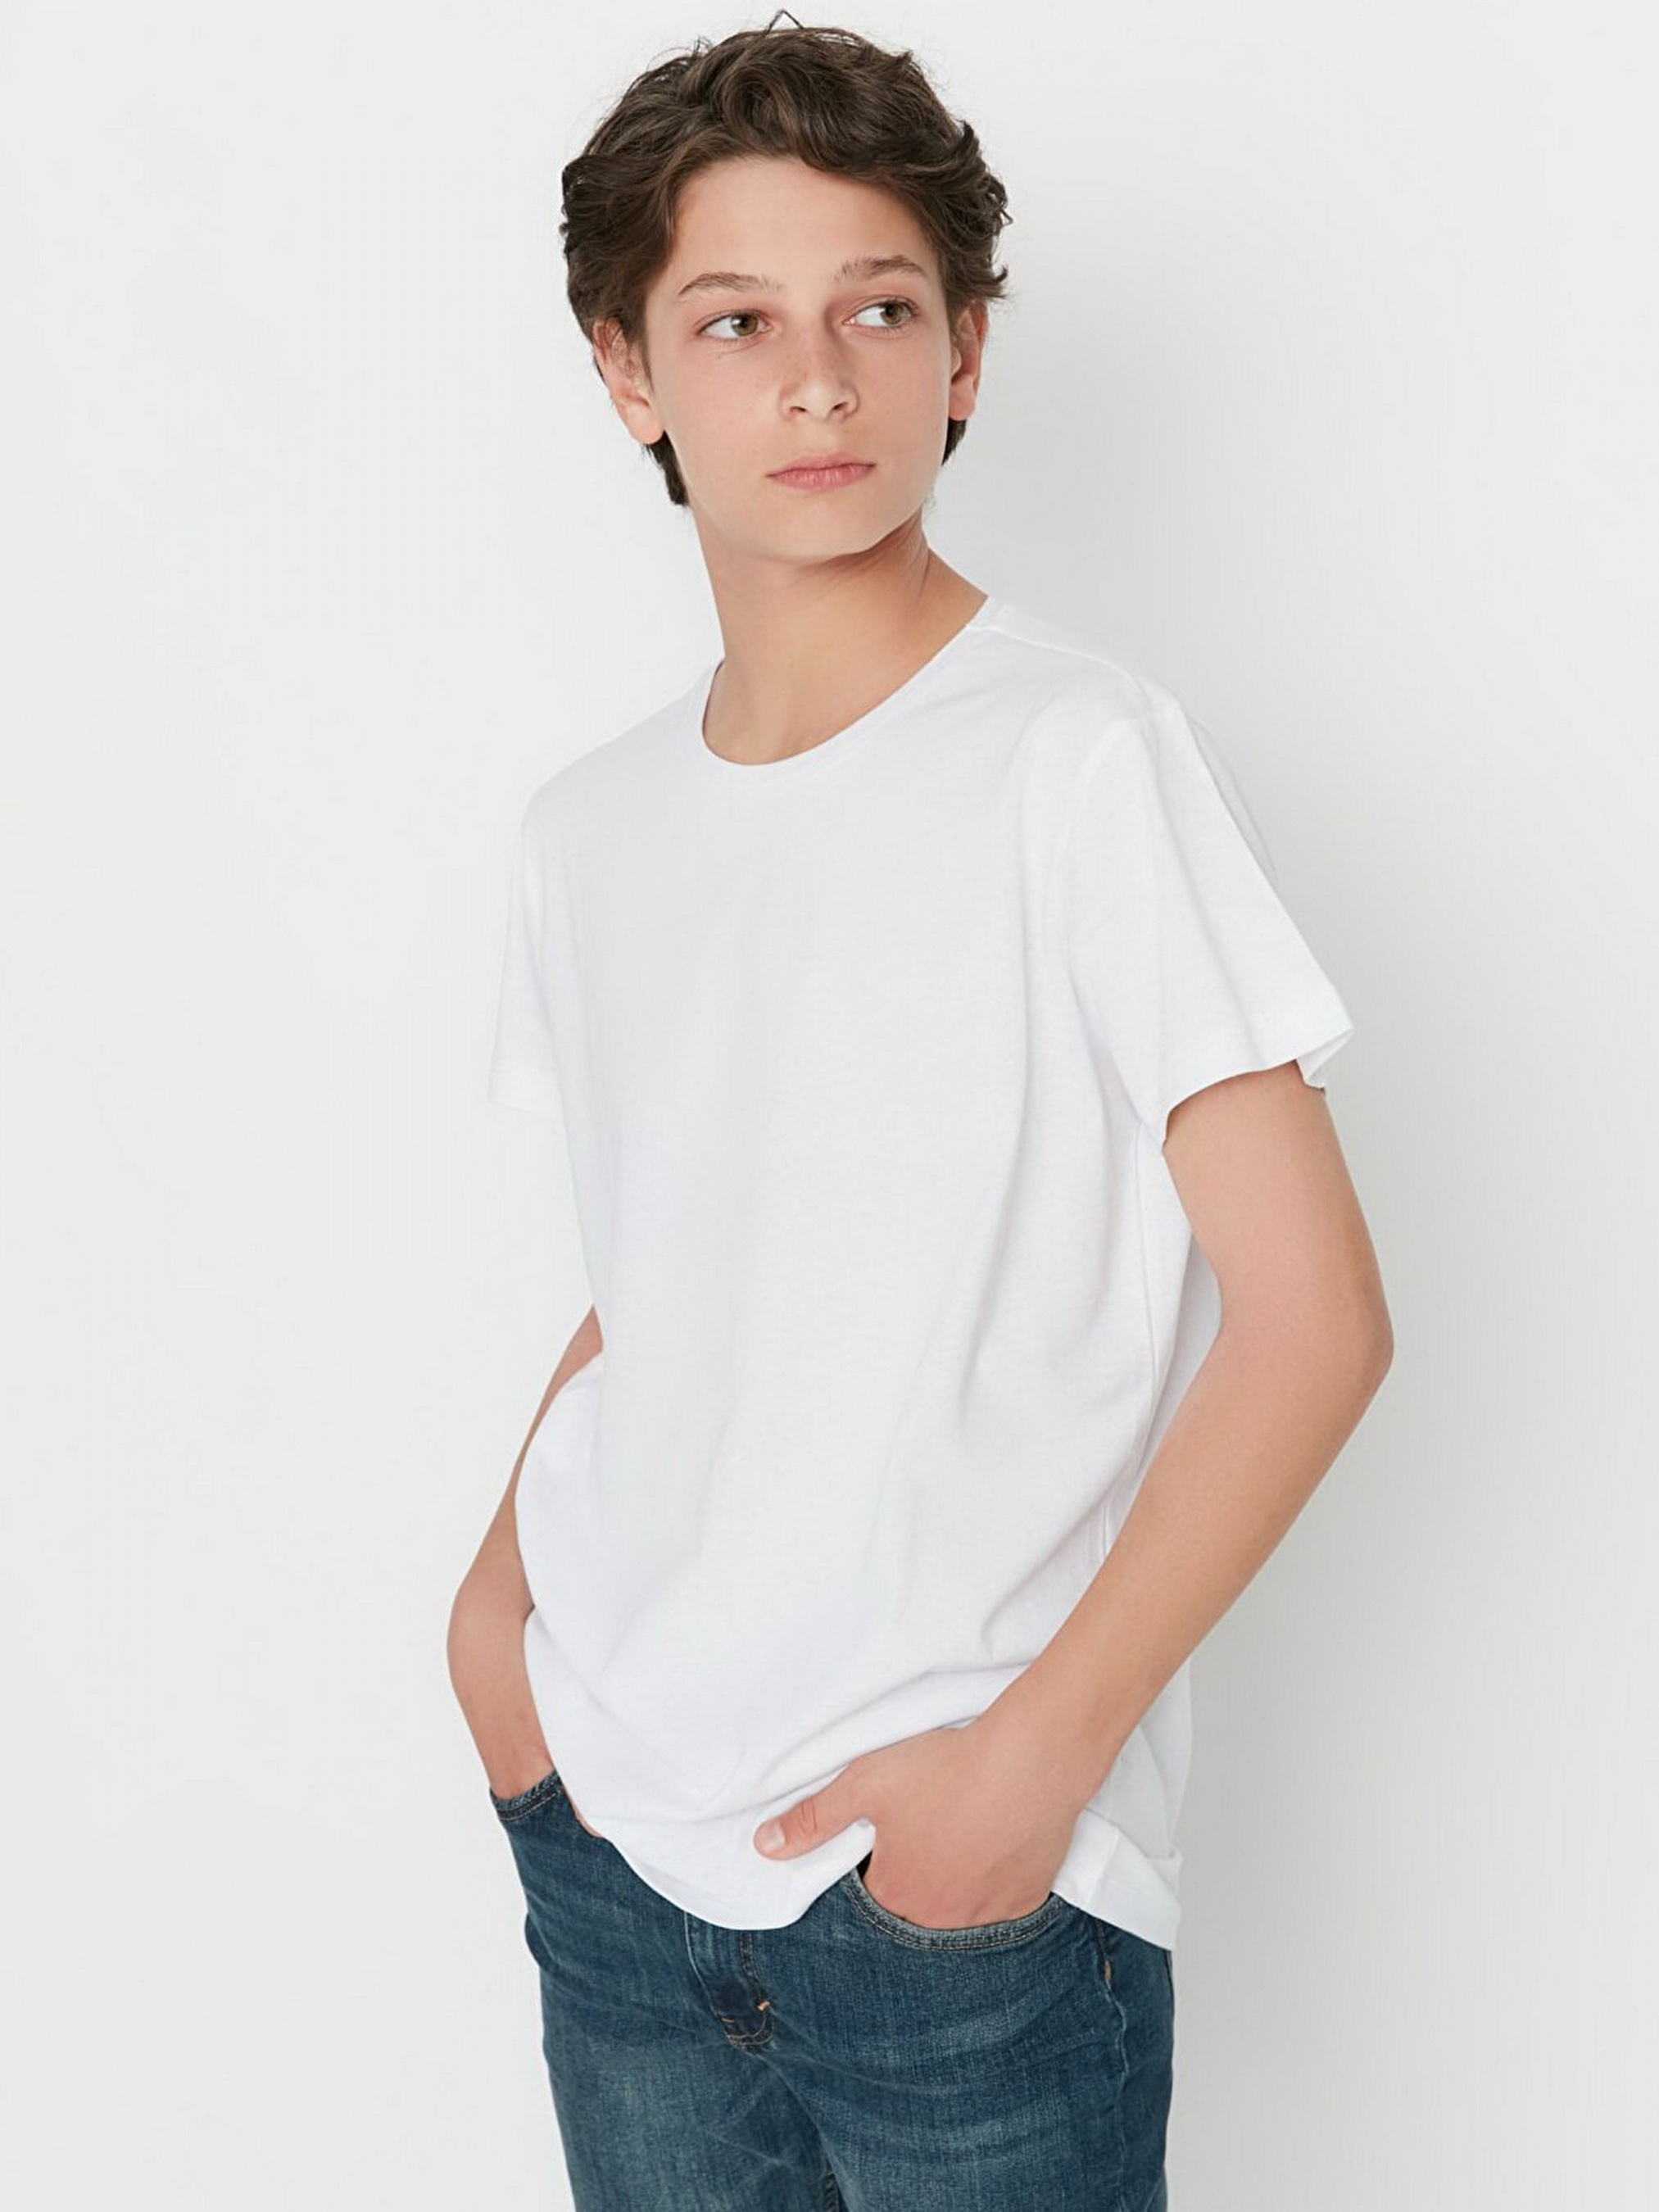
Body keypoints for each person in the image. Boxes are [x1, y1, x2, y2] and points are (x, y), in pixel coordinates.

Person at [447, 19, 1393, 2210]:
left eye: (877, 310)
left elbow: (1314, 1320)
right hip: (615, 1851)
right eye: (735, 323)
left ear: (963, 352)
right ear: (625, 371)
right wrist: (497, 1630)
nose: (816, 382)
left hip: (955, 1904)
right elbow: (667, 1274)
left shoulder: (1081, 761)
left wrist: (1025, 1772)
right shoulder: (589, 827)